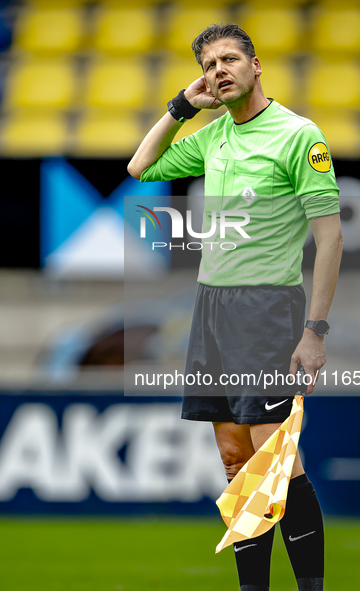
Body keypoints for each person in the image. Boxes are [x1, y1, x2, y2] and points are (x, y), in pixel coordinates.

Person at [128, 23, 344, 591]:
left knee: (275, 459)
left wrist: (314, 331)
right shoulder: (212, 134)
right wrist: (180, 107)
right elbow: (140, 168)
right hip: (211, 307)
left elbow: (331, 239)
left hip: (267, 309)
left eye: (228, 59)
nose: (217, 71)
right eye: (207, 65)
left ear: (256, 65)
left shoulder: (299, 135)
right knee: (234, 458)